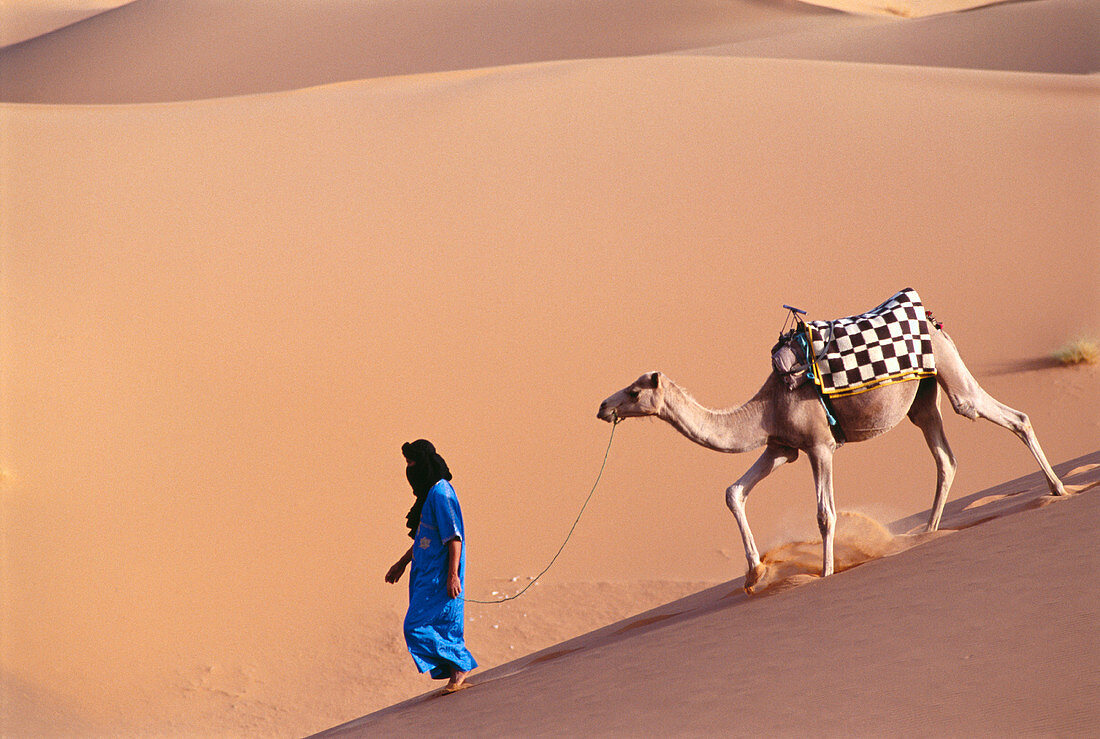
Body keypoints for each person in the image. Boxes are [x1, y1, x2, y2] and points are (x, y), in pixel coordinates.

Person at [385, 439, 477, 693]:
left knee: (414, 626)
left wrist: (452, 576)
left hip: (440, 575)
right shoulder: (429, 495)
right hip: (425, 574)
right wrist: (402, 563)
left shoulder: (441, 493)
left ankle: (460, 663)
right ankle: (456, 673)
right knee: (437, 624)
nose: (409, 469)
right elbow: (424, 538)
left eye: (412, 462)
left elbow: (454, 537)